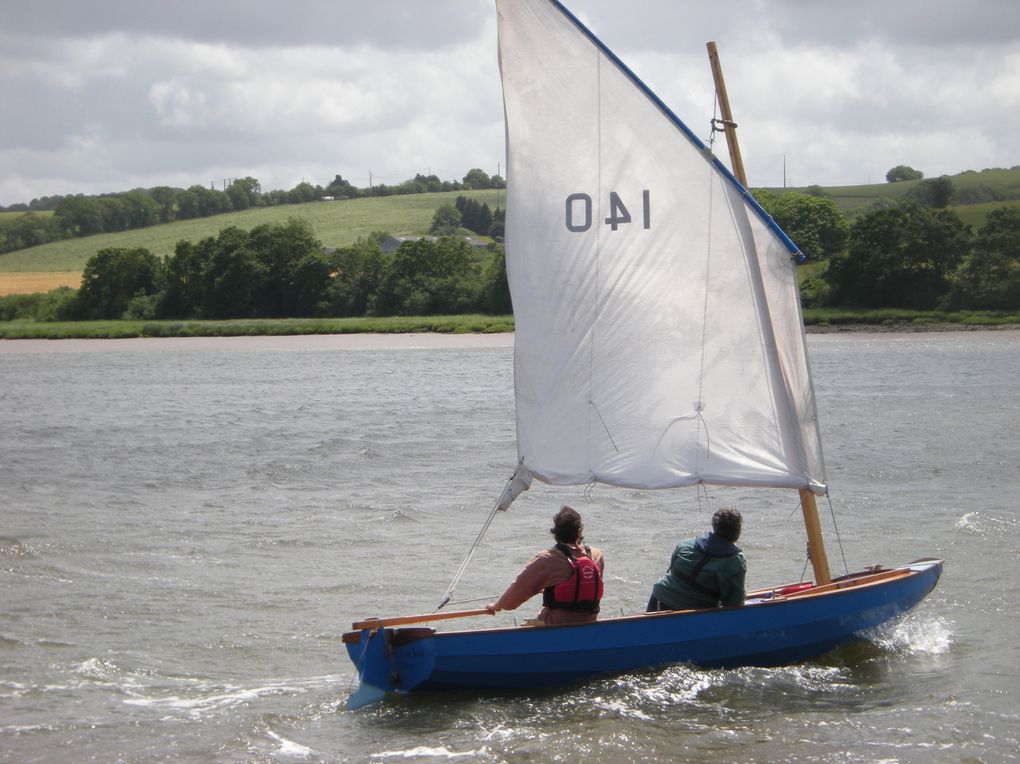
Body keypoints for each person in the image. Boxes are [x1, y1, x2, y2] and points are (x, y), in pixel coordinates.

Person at [486, 506, 605, 625]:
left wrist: (497, 606)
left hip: (555, 625)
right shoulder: (596, 555)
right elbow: (586, 586)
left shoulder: (547, 559)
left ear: (556, 533)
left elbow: (515, 594)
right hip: (589, 623)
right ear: (579, 532)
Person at [647, 507, 746, 611]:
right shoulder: (735, 561)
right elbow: (735, 604)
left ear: (714, 526)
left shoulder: (685, 545)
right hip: (690, 612)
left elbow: (671, 573)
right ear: (738, 531)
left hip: (658, 599)